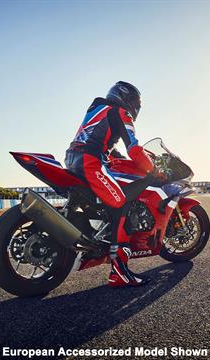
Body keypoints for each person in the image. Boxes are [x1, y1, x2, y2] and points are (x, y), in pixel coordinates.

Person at [65, 81, 158, 288]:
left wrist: (115, 156)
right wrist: (152, 169)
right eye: (134, 101)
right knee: (122, 202)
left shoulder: (98, 109)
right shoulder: (120, 112)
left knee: (108, 200)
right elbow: (134, 149)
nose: (136, 107)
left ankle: (96, 239)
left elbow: (102, 142)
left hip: (73, 159)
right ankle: (119, 270)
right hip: (90, 163)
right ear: (124, 97)